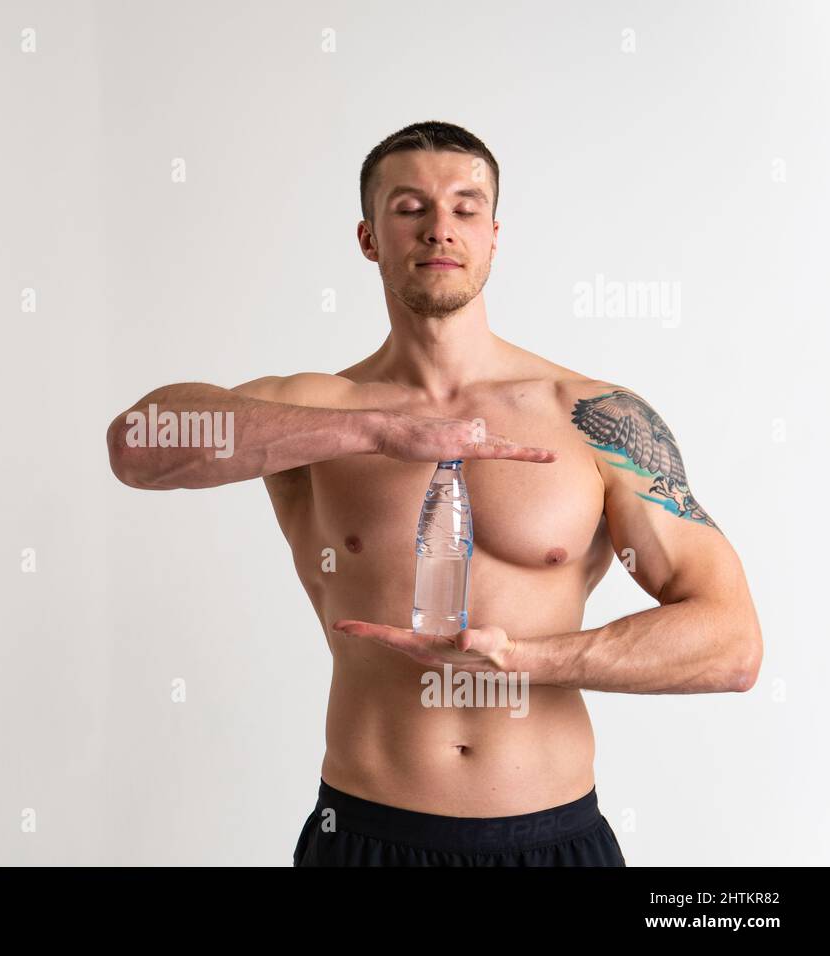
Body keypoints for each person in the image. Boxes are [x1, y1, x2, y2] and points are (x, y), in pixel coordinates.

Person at [105, 121, 763, 866]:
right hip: (367, 836)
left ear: (493, 235)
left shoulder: (595, 418)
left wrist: (525, 661)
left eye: (465, 207)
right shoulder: (316, 410)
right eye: (410, 207)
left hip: (550, 838)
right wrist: (376, 432)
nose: (440, 227)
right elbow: (138, 445)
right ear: (368, 237)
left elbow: (730, 645)